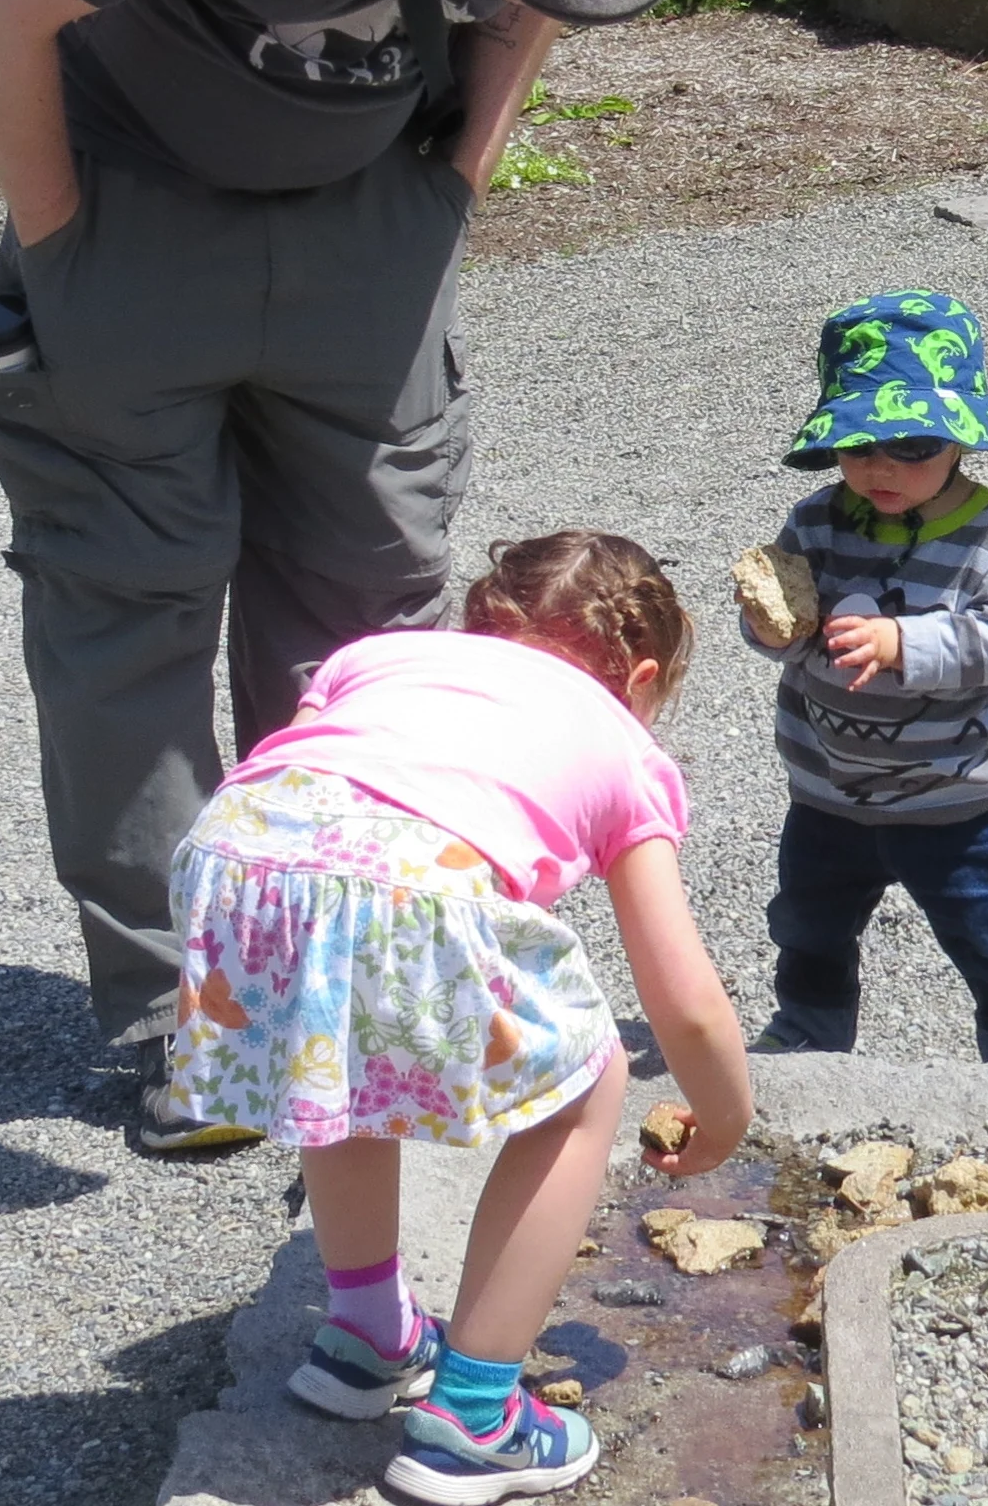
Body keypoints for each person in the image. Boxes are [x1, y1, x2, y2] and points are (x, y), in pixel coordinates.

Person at [0, 0, 696, 1146]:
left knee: (371, 610)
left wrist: (452, 187)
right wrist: (58, 240)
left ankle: (346, 982)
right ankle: (196, 1022)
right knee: (130, 619)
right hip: (133, 223)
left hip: (370, 228)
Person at [164, 530, 752, 1503]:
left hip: (236, 854)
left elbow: (325, 768)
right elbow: (680, 995)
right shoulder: (618, 735)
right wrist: (722, 1112)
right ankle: (477, 1412)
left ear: (476, 626)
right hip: (406, 881)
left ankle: (365, 1335)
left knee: (334, 1046)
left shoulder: (374, 656)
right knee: (586, 1084)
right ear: (639, 677)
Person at [736, 291, 988, 1065]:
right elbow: (792, 627)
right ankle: (810, 1027)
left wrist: (900, 642)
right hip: (828, 790)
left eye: (912, 445)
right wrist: (767, 629)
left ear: (960, 439)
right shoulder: (815, 523)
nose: (881, 467)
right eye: (857, 447)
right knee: (808, 925)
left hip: (956, 799)